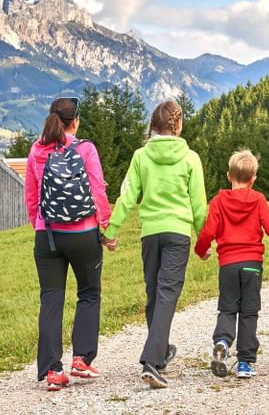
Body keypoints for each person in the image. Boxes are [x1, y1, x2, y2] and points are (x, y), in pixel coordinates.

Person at [103, 100, 207, 389]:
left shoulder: (141, 156)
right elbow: (199, 205)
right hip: (178, 233)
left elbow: (127, 196)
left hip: (150, 234)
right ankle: (152, 361)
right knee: (167, 294)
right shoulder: (190, 158)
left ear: (153, 125)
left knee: (154, 293)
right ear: (179, 124)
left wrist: (111, 230)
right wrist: (205, 239)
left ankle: (159, 352)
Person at [24, 97, 112, 392]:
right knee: (89, 292)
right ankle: (82, 359)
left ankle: (52, 371)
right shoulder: (85, 148)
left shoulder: (37, 149)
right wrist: (105, 225)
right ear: (75, 121)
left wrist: (38, 225)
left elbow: (32, 196)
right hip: (83, 233)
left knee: (51, 297)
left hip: (47, 234)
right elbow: (97, 188)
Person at [194, 149, 269, 380]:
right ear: (253, 180)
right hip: (251, 264)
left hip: (228, 264)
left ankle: (222, 341)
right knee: (249, 312)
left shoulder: (219, 201)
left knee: (228, 308)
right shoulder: (258, 199)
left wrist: (201, 250)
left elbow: (208, 231)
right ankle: (245, 363)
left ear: (229, 176)